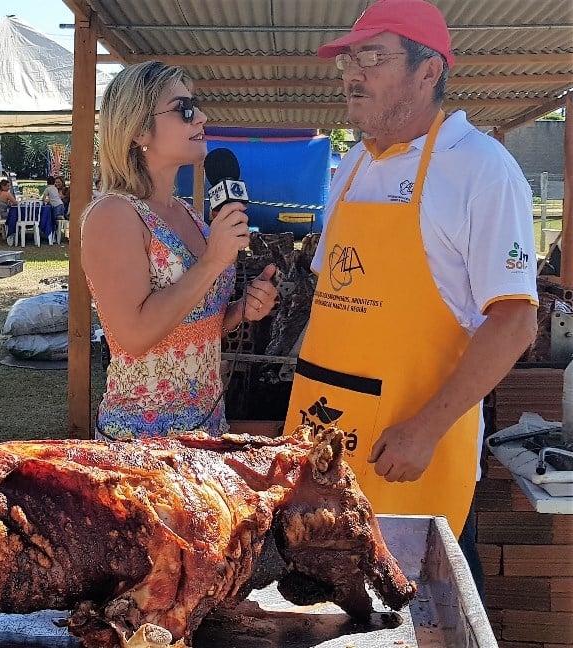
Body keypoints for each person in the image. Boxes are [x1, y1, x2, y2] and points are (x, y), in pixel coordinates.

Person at [283, 0, 539, 597]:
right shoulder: (349, 166)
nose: (353, 71)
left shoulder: (480, 169)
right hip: (326, 450)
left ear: (429, 71)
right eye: (349, 57)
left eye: (373, 56)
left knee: (418, 611)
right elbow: (336, 301)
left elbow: (515, 321)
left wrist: (425, 429)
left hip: (412, 460)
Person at [81, 60, 278, 440]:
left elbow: (193, 327)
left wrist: (241, 310)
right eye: (184, 109)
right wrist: (212, 262)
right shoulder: (113, 214)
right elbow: (134, 336)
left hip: (207, 430)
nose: (201, 116)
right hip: (142, 447)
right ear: (138, 129)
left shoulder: (187, 212)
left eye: (196, 106)